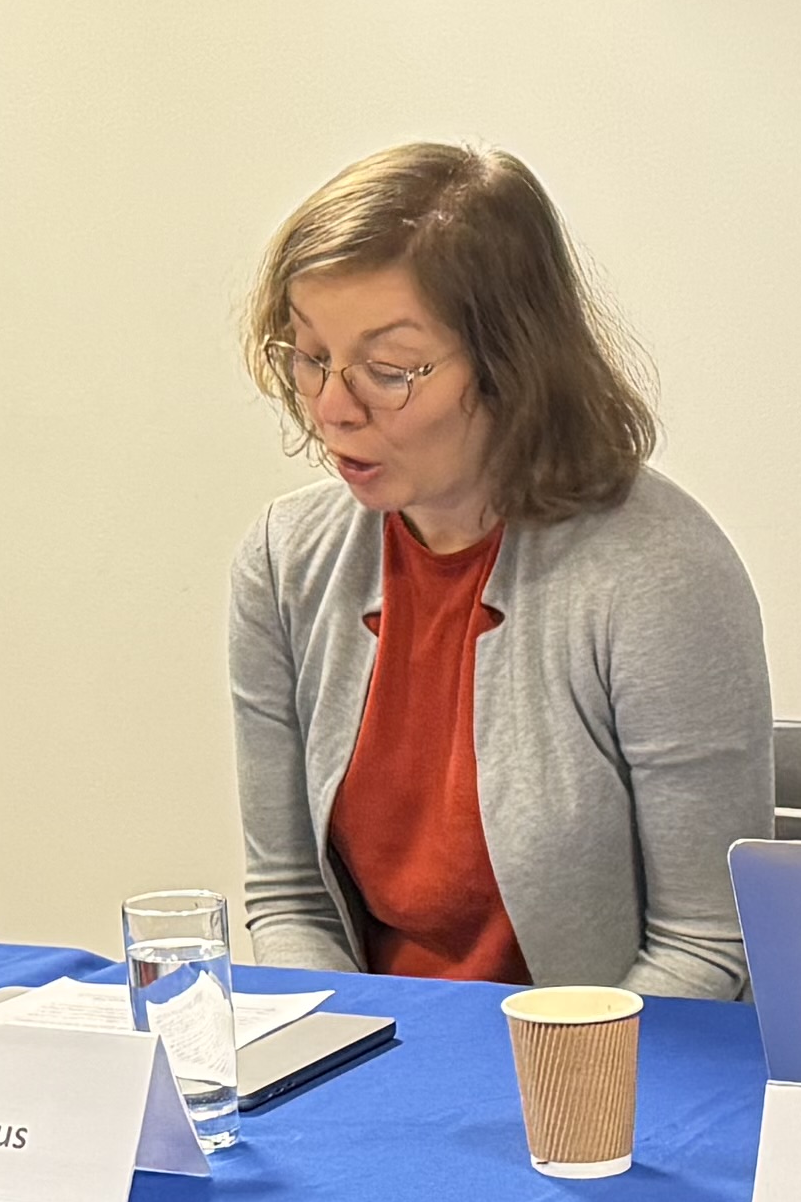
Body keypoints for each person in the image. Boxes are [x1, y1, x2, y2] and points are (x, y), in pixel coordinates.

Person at [226, 144, 772, 1000]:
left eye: (389, 370)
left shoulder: (657, 573)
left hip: (601, 1079)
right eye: (309, 355)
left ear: (512, 365)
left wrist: (549, 1097)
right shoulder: (284, 559)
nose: (333, 406)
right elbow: (290, 901)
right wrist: (350, 1065)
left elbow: (706, 944)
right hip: (378, 1062)